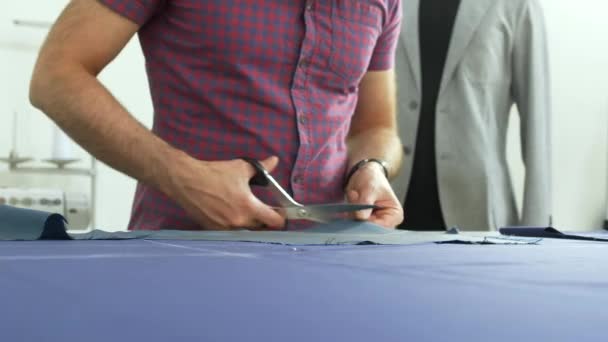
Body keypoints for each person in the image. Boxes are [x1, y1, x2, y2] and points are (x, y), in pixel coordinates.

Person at [29, 0, 404, 231]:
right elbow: (56, 76)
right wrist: (184, 178)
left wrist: (372, 167)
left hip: (334, 257)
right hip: (187, 250)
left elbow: (376, 127)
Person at [392, 0, 552, 230]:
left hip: (477, 209)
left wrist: (536, 229)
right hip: (390, 207)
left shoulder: (515, 5)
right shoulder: (386, 3)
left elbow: (537, 123)